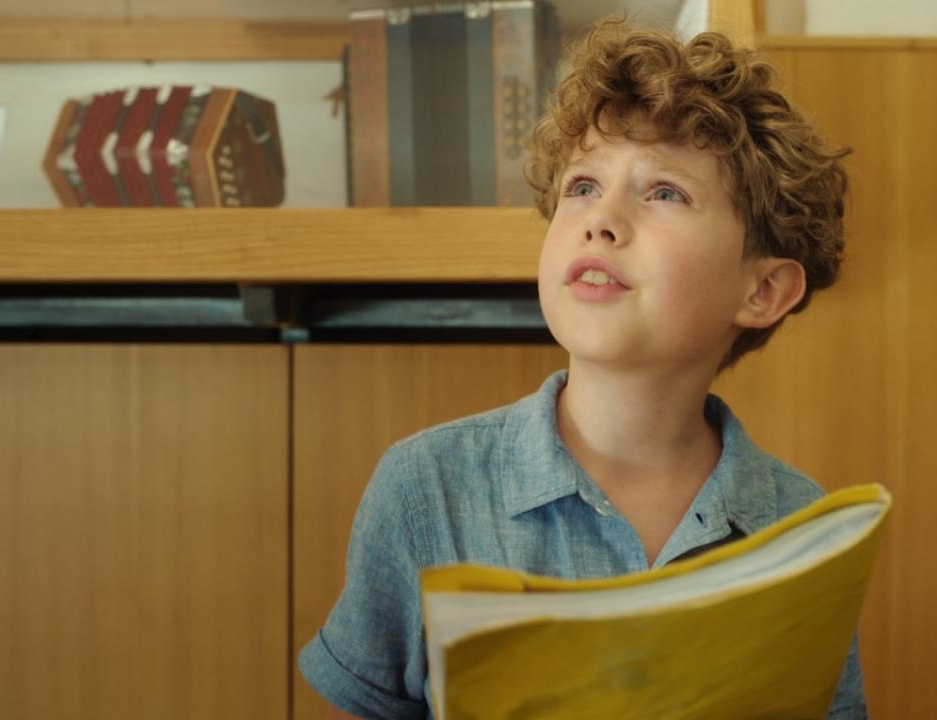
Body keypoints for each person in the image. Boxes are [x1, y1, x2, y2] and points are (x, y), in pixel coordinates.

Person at [300, 16, 862, 719]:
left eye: (665, 193)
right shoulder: (424, 488)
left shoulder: (800, 525)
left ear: (763, 291)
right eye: (583, 185)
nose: (602, 219)